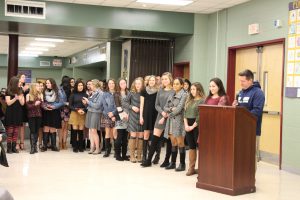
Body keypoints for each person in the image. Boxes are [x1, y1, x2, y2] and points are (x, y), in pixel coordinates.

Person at [141, 72, 175, 167]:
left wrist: (165, 115)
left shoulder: (173, 91)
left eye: (166, 79)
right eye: (163, 79)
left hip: (170, 117)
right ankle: (148, 160)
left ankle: (166, 160)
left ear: (170, 79)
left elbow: (172, 105)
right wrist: (163, 113)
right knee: (155, 138)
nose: (164, 80)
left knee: (168, 140)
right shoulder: (160, 90)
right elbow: (157, 105)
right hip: (160, 116)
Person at [232, 69, 265, 162]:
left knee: (250, 157)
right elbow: (241, 108)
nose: (241, 83)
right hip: (240, 129)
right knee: (241, 155)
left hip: (252, 130)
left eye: (243, 81)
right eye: (240, 81)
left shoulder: (258, 93)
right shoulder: (240, 92)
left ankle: (251, 177)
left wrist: (242, 115)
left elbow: (257, 111)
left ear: (250, 80)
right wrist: (236, 106)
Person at [163, 78, 188, 171]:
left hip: (179, 121)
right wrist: (170, 109)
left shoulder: (184, 95)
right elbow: (165, 107)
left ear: (182, 85)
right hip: (170, 121)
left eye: (177, 84)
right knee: (173, 142)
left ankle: (182, 164)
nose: (175, 85)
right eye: (174, 84)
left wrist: (170, 111)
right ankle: (173, 163)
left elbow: (179, 109)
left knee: (180, 142)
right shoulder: (172, 94)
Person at [184, 82, 205, 176]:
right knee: (191, 146)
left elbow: (199, 116)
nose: (192, 91)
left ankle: (202, 168)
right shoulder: (189, 100)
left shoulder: (202, 100)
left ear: (199, 90)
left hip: (197, 125)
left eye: (194, 89)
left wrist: (192, 126)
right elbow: (184, 114)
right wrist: (186, 125)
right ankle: (191, 168)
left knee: (199, 146)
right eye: (191, 89)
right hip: (187, 125)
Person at [41, 78, 65, 152]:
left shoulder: (58, 91)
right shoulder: (43, 92)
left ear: (52, 83)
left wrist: (54, 106)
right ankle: (44, 146)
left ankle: (53, 146)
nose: (47, 84)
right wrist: (45, 106)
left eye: (49, 83)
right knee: (46, 128)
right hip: (46, 111)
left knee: (53, 128)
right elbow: (42, 101)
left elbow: (62, 102)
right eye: (46, 83)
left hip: (55, 111)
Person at [124, 77, 144, 163]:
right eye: (136, 84)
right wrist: (132, 107)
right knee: (133, 134)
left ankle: (139, 155)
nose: (137, 85)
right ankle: (132, 156)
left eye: (139, 83)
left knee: (140, 135)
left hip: (142, 116)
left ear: (142, 84)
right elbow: (124, 102)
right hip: (132, 115)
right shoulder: (131, 93)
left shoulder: (144, 93)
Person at [140, 75, 158, 163]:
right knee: (146, 135)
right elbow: (141, 105)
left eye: (153, 80)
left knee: (155, 136)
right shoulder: (144, 90)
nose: (151, 81)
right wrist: (141, 116)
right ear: (148, 81)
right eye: (150, 80)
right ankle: (144, 156)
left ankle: (156, 156)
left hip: (156, 115)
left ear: (155, 81)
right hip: (146, 115)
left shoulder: (158, 91)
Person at [5, 76, 25, 153]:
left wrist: (20, 98)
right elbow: (8, 103)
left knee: (16, 131)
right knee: (10, 131)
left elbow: (22, 103)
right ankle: (9, 148)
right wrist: (15, 98)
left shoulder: (20, 90)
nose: (20, 83)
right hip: (10, 112)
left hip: (18, 112)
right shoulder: (8, 90)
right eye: (18, 82)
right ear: (14, 83)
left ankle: (14, 147)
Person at [83, 79, 103, 155]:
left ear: (94, 85)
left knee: (94, 131)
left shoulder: (101, 94)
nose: (89, 86)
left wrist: (88, 102)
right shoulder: (92, 93)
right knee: (90, 131)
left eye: (91, 84)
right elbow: (90, 104)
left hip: (96, 113)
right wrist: (86, 103)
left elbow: (97, 106)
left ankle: (97, 148)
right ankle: (92, 147)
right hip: (90, 112)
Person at [69, 80, 88, 153]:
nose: (80, 87)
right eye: (79, 85)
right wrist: (77, 110)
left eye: (82, 85)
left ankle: (81, 146)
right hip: (75, 113)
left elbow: (87, 105)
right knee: (74, 131)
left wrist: (84, 110)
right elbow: (70, 106)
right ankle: (75, 146)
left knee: (81, 131)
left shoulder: (85, 95)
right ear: (76, 86)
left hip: (83, 113)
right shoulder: (73, 94)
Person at [101, 79, 118, 158]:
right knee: (107, 133)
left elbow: (118, 105)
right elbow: (104, 105)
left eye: (113, 83)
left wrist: (114, 114)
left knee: (115, 134)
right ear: (108, 85)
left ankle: (116, 151)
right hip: (106, 115)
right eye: (110, 83)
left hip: (116, 116)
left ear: (115, 84)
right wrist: (110, 114)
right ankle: (107, 150)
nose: (111, 85)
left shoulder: (117, 94)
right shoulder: (104, 94)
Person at [114, 78, 130, 161]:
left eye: (124, 83)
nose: (123, 84)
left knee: (125, 138)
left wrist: (128, 115)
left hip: (128, 117)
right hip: (120, 117)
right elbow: (117, 106)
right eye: (121, 83)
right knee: (119, 137)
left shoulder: (129, 92)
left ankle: (124, 155)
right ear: (119, 85)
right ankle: (117, 155)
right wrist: (123, 115)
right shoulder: (116, 94)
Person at [26, 83, 43, 154]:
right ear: (33, 87)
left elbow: (42, 105)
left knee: (36, 131)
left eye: (39, 86)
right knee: (32, 131)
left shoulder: (40, 95)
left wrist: (42, 101)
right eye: (38, 86)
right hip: (31, 115)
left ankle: (35, 147)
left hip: (39, 115)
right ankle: (32, 148)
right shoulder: (28, 95)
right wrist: (34, 104)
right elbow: (27, 107)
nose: (39, 87)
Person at [16, 73, 29, 151]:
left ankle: (22, 142)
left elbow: (27, 96)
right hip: (17, 107)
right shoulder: (16, 86)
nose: (24, 78)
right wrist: (22, 89)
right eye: (23, 77)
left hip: (24, 108)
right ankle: (17, 143)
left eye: (25, 77)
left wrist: (26, 90)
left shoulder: (26, 87)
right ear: (19, 78)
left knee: (22, 126)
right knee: (17, 126)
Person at [59, 76, 71, 150]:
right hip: (63, 109)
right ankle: (62, 143)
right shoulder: (60, 89)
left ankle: (62, 143)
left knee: (63, 128)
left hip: (64, 109)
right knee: (64, 128)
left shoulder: (61, 89)